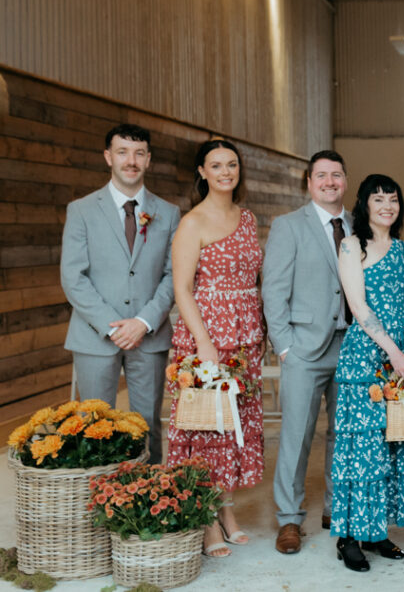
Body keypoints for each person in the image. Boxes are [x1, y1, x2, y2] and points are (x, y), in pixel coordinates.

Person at [60, 123, 180, 464]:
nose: (131, 160)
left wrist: (143, 322)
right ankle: (97, 508)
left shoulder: (168, 213)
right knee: (93, 427)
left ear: (149, 160)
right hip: (95, 336)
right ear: (108, 156)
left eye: (139, 153)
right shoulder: (81, 210)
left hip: (149, 335)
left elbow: (174, 275)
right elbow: (73, 277)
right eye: (123, 152)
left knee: (146, 426)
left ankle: (147, 505)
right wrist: (113, 327)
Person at [168, 139, 265, 558]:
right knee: (206, 431)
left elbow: (255, 278)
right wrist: (205, 345)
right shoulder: (192, 222)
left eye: (232, 164)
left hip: (245, 338)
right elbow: (182, 288)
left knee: (233, 429)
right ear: (202, 172)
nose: (226, 172)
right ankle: (207, 523)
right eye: (216, 165)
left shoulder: (248, 218)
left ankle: (227, 512)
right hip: (206, 334)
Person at [330, 174, 404, 572]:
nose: (386, 205)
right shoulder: (352, 246)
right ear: (364, 205)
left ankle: (376, 531)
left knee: (393, 444)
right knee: (363, 448)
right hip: (367, 357)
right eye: (378, 199)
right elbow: (357, 306)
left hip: (403, 356)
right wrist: (393, 353)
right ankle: (349, 537)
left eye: (393, 198)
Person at [263, 150, 353, 554]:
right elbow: (273, 289)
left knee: (343, 434)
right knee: (296, 436)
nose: (329, 182)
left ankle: (337, 510)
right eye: (321, 175)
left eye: (336, 175)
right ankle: (289, 519)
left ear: (345, 181)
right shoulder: (288, 226)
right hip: (303, 348)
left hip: (351, 345)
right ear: (309, 182)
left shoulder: (357, 226)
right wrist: (284, 346)